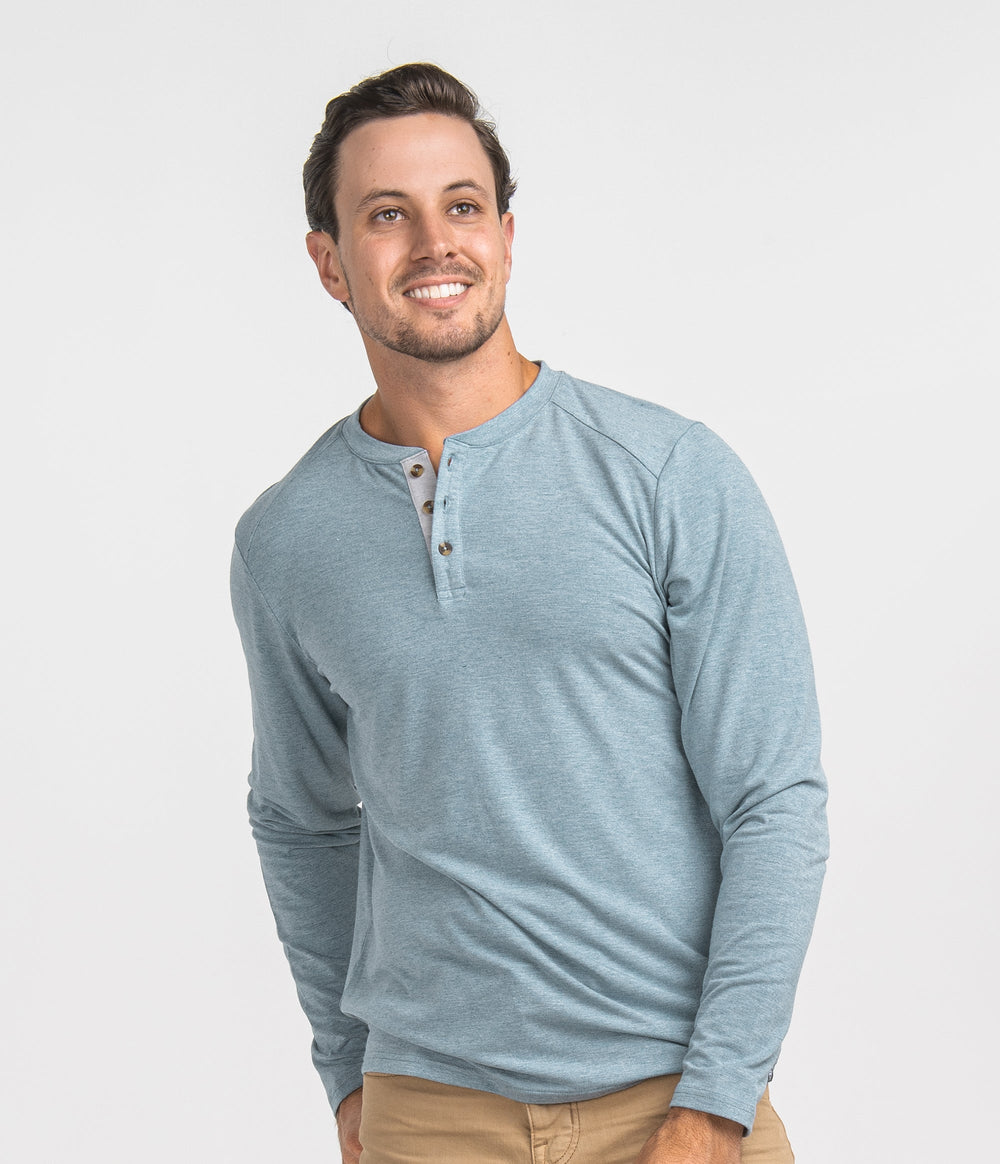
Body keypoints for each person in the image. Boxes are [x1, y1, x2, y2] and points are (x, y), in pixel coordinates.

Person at [231, 63, 828, 1164]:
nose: (435, 244)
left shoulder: (667, 474)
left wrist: (715, 1102)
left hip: (675, 1101)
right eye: (386, 215)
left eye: (462, 206)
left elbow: (773, 800)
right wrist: (350, 1079)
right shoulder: (286, 539)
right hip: (427, 1110)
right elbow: (300, 819)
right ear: (329, 262)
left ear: (505, 235)